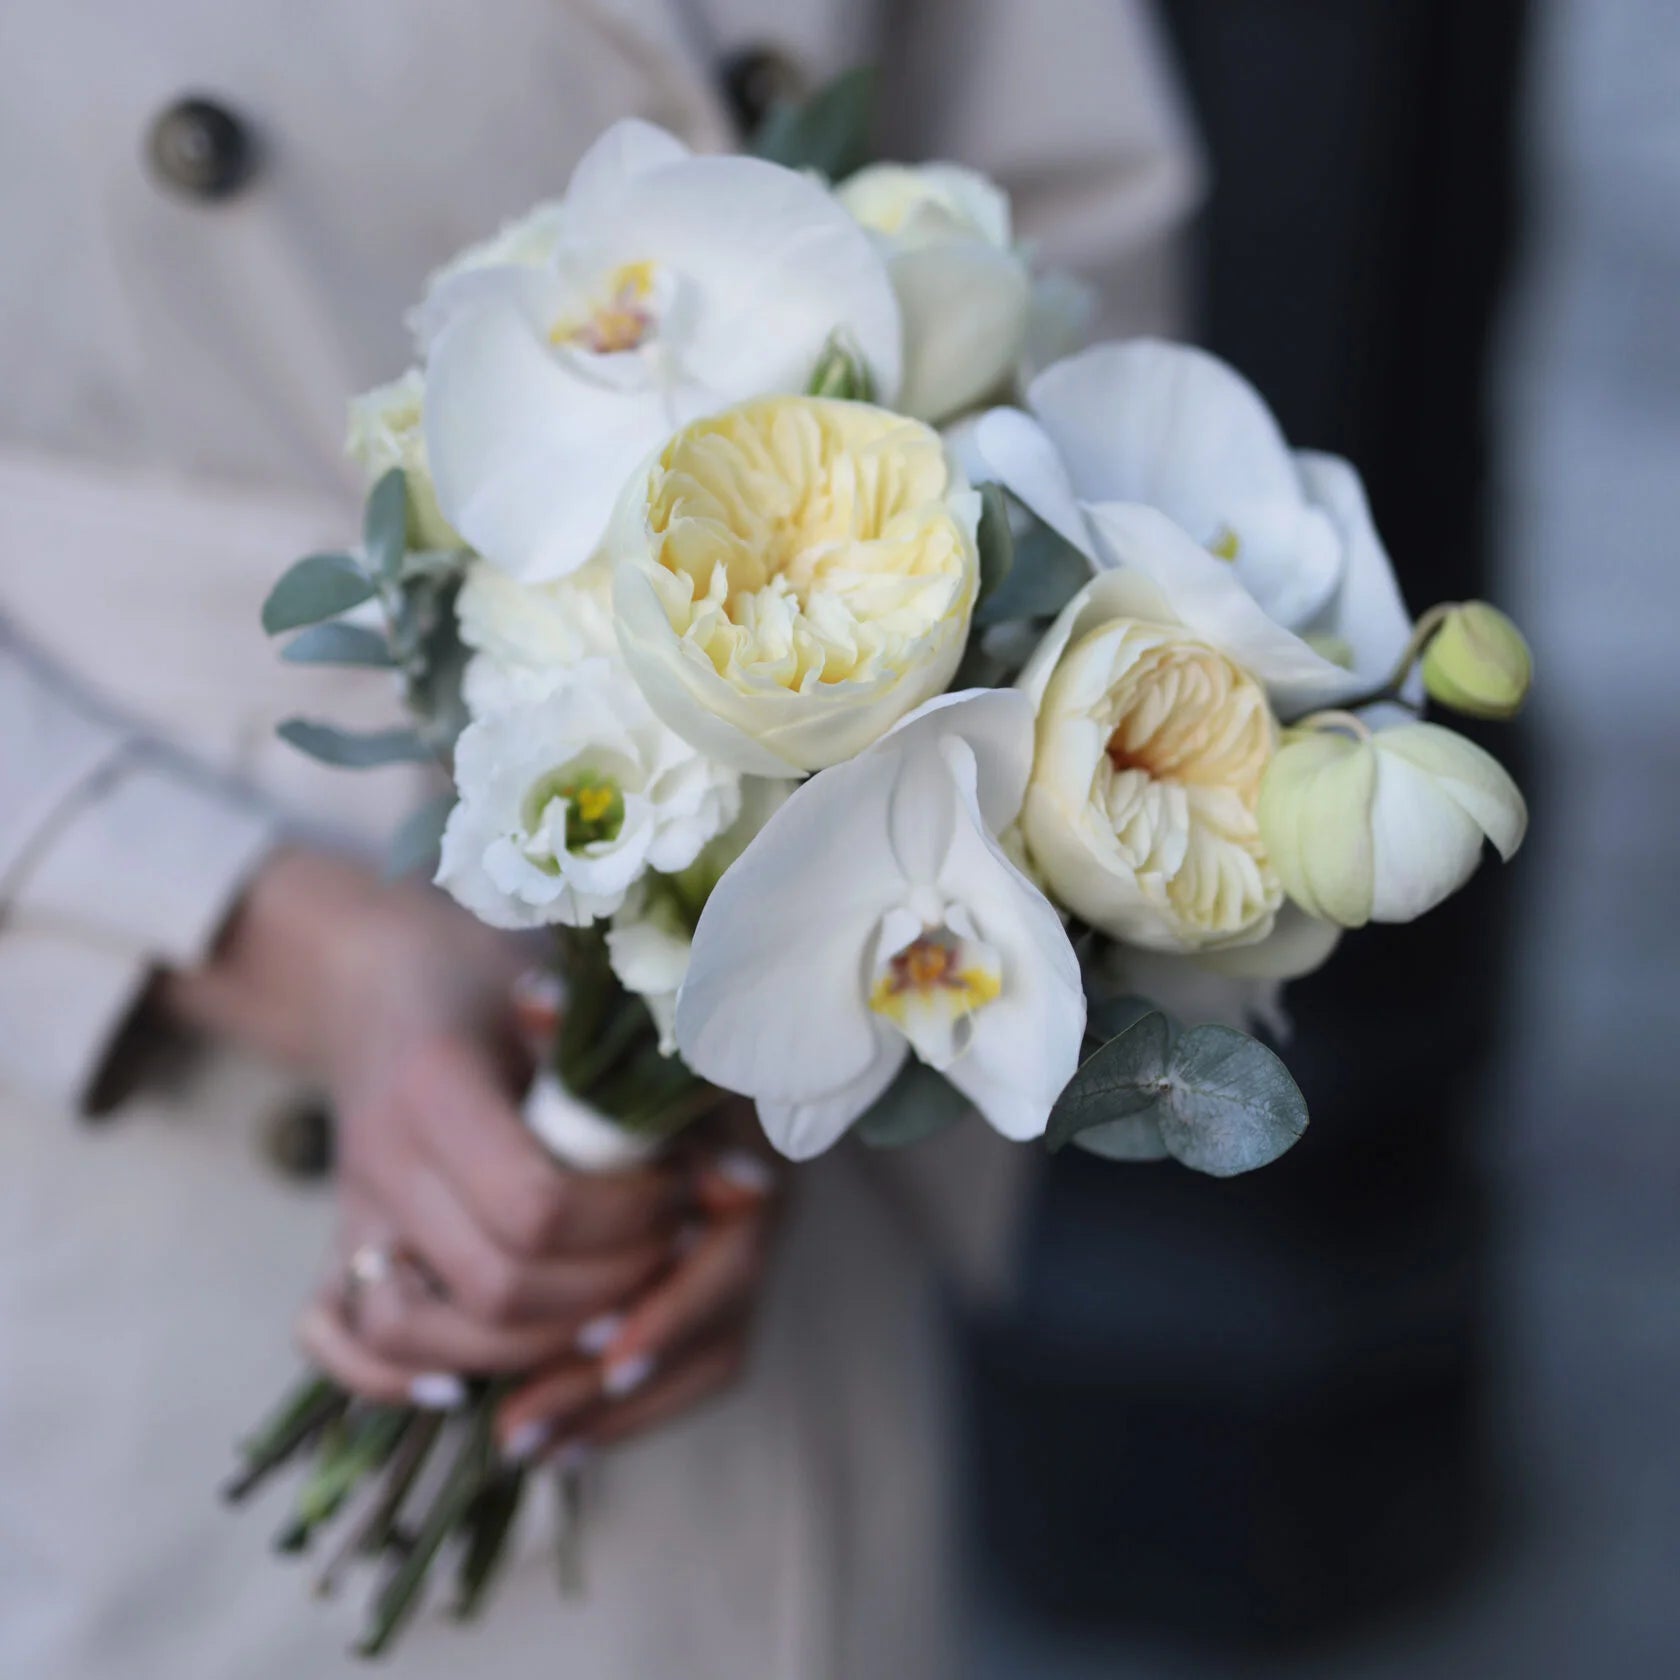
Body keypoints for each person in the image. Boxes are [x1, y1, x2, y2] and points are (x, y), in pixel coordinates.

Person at [0, 1, 1198, 1675]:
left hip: (783, 1086)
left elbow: (1067, 227)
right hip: (132, 1057)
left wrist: (785, 1014)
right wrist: (285, 939)